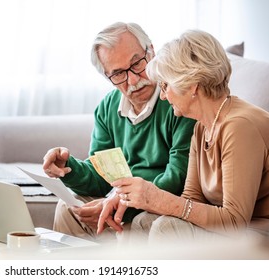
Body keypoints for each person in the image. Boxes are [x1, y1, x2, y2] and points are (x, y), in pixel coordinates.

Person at [97, 29, 269, 243]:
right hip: (238, 228)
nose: (162, 95)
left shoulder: (239, 126)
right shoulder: (202, 127)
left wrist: (158, 198)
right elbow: (191, 199)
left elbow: (235, 220)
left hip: (264, 229)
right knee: (144, 221)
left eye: (165, 85)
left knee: (166, 227)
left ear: (191, 85)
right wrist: (146, 199)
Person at [42, 22, 196, 241]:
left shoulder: (177, 100)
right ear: (107, 77)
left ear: (151, 51)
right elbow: (102, 176)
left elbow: (178, 178)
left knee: (138, 222)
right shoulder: (107, 108)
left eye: (137, 64)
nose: (133, 80)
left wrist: (120, 201)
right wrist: (68, 167)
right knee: (68, 207)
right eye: (118, 74)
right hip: (122, 201)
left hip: (160, 203)